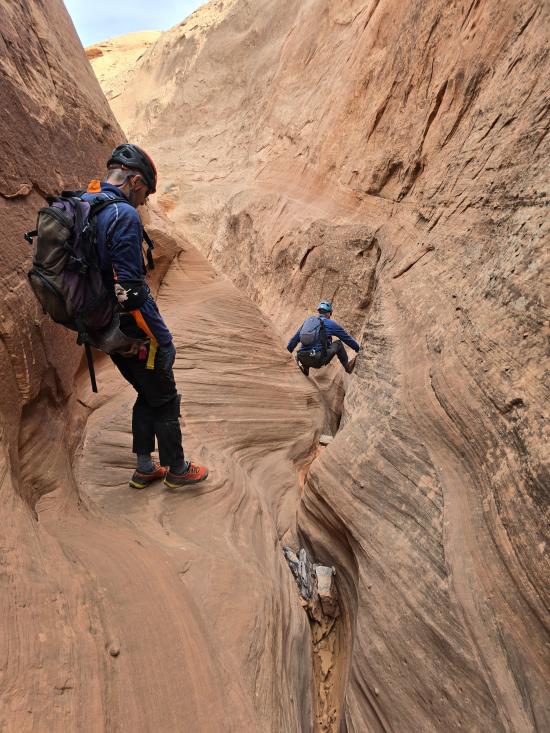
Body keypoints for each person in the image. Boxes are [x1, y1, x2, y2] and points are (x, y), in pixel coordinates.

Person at [82, 143, 208, 490]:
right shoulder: (122, 215)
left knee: (146, 390)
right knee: (164, 396)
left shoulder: (87, 202)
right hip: (131, 328)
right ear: (135, 181)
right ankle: (177, 470)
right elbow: (131, 290)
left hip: (101, 325)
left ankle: (144, 467)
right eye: (145, 194)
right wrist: (162, 339)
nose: (143, 202)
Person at [287, 300, 360, 376]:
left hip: (302, 357)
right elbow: (346, 338)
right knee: (338, 343)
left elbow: (295, 339)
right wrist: (358, 349)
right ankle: (347, 367)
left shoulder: (308, 321)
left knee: (308, 345)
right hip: (317, 360)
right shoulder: (330, 324)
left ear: (319, 311)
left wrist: (287, 352)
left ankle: (304, 365)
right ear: (328, 313)